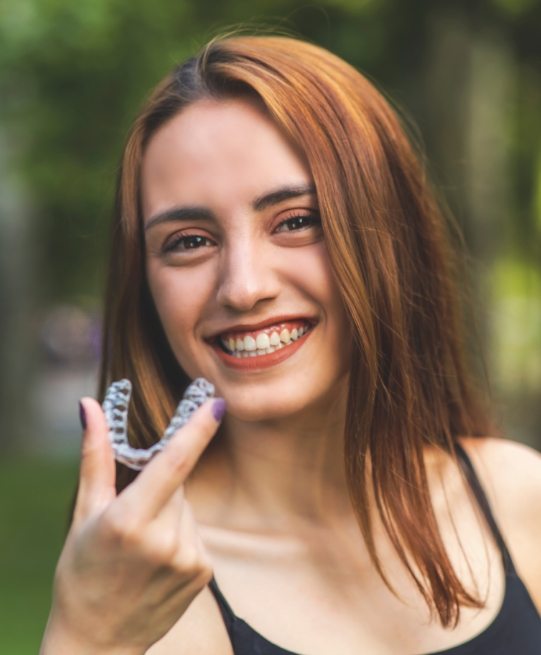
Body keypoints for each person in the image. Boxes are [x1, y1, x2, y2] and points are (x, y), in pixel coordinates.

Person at [40, 34, 541, 654]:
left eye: (297, 222)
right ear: (144, 287)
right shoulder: (154, 593)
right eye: (190, 241)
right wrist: (88, 637)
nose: (244, 287)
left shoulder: (522, 499)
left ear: (392, 235)